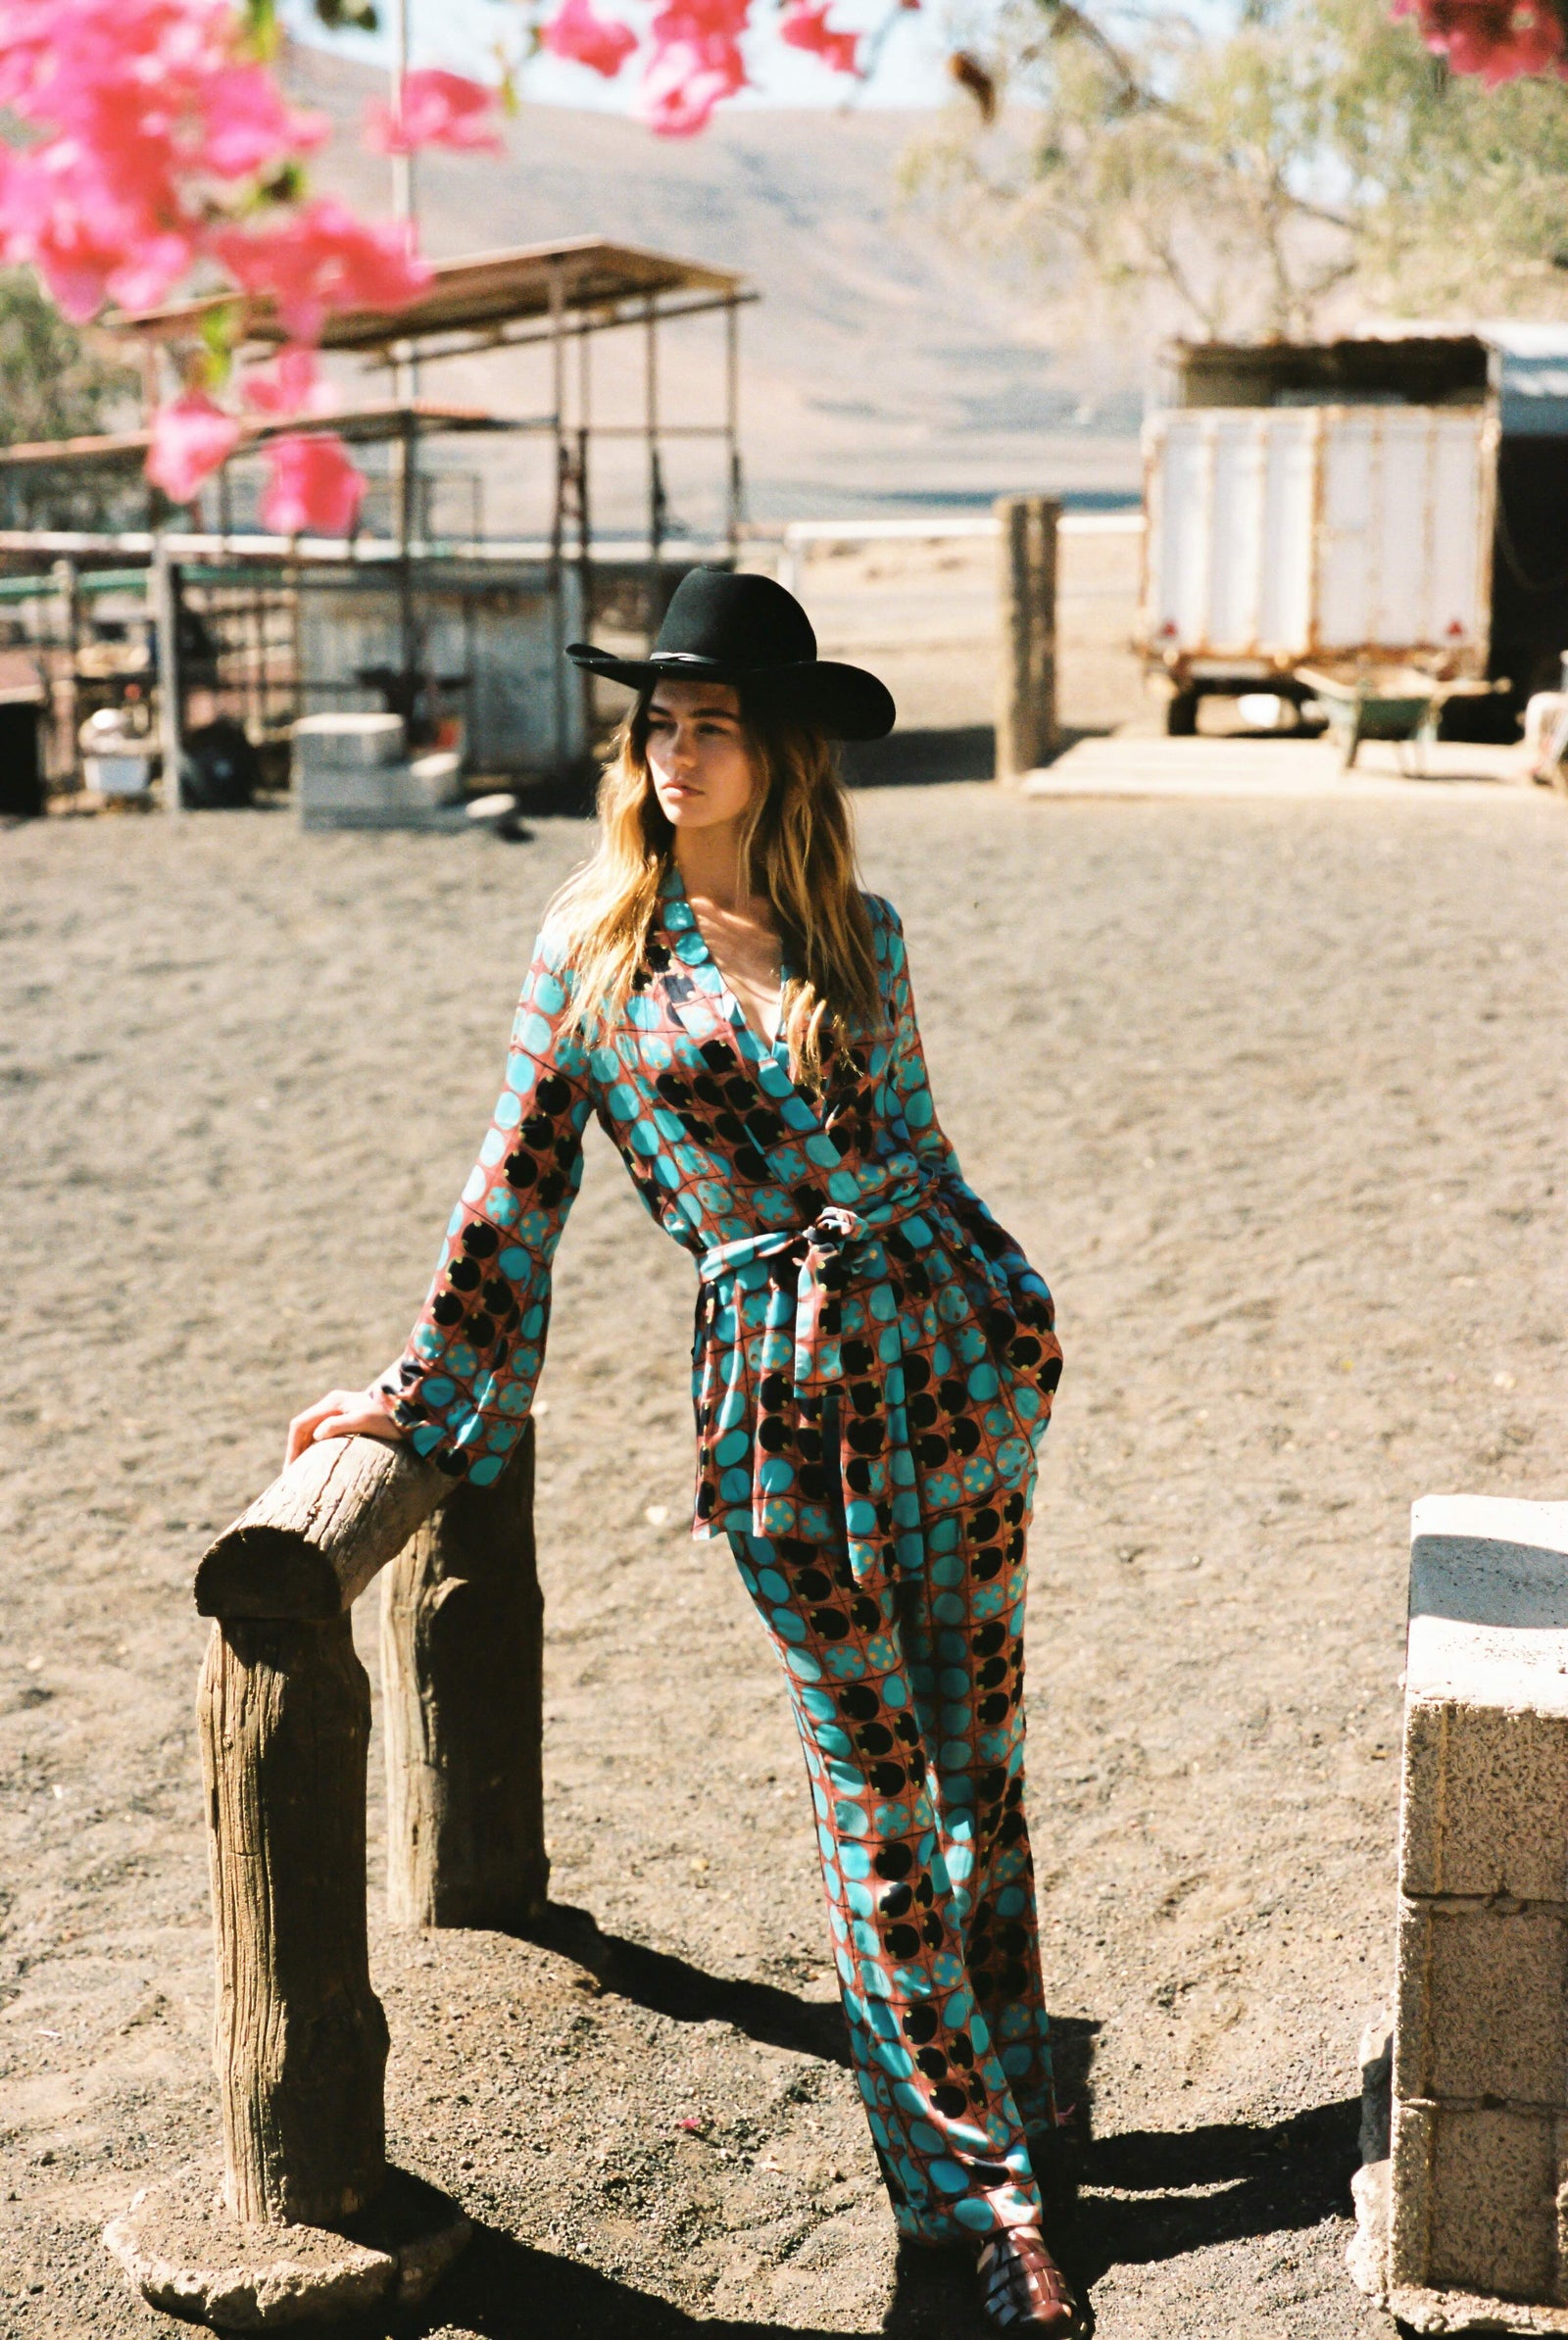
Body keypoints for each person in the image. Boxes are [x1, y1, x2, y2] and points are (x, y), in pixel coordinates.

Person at [286, 569, 1077, 2333]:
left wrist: (1019, 1322)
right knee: (874, 1785)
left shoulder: (862, 938)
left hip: (952, 1369)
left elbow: (931, 1166)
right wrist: (415, 1401)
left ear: (782, 753)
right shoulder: (592, 963)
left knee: (980, 1776)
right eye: (659, 722)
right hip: (783, 1418)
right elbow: (513, 1209)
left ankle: (1013, 2104)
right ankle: (977, 2197)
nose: (674, 752)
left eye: (710, 724)